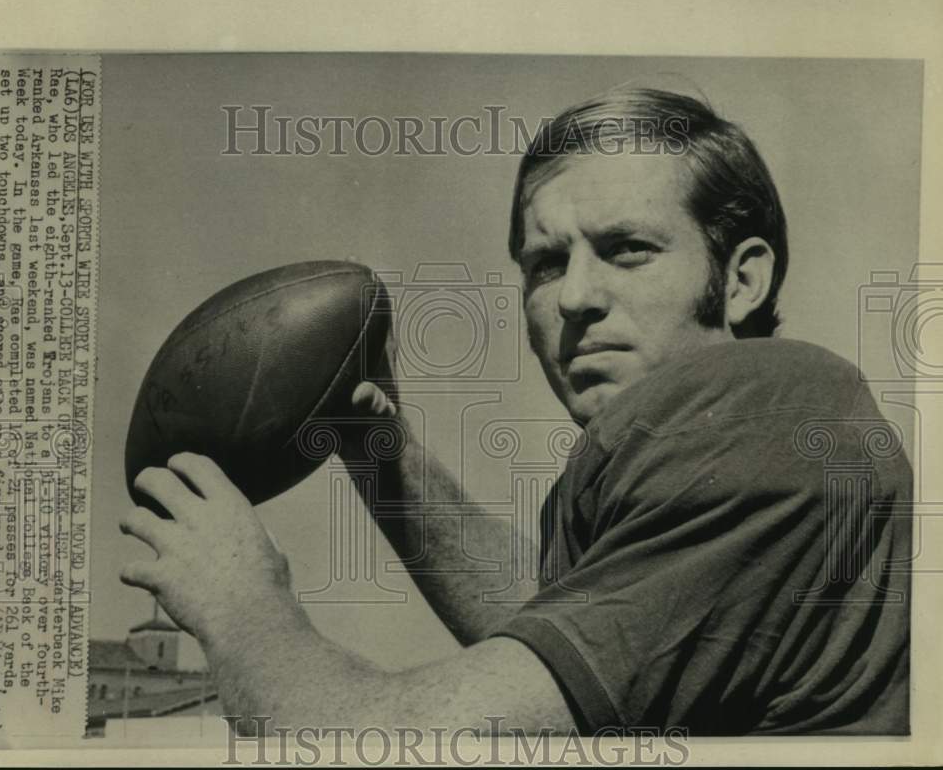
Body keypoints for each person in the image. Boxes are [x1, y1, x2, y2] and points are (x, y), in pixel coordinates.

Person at [119, 86, 910, 736]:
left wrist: (242, 605)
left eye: (628, 248)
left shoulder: (763, 409)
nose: (573, 298)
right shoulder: (668, 448)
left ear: (741, 282)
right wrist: (378, 453)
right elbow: (565, 637)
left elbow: (373, 744)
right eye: (545, 263)